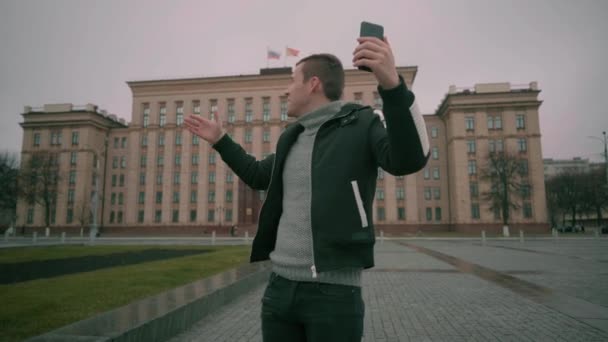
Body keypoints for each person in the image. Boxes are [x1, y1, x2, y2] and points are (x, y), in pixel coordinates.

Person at [185, 36, 429, 342]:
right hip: (279, 291)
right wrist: (221, 140)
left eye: (292, 81)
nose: (286, 90)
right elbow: (258, 175)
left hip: (334, 295)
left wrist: (393, 87)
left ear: (313, 84)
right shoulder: (292, 137)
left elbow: (409, 159)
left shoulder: (362, 124)